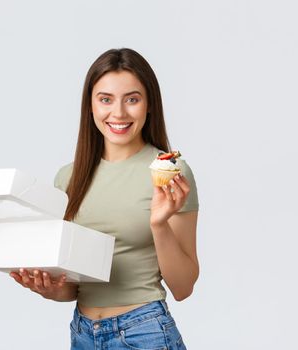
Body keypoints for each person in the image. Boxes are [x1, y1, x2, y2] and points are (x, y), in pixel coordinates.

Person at [10, 48, 199, 350]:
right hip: (84, 333)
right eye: (106, 99)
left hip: (144, 331)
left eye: (132, 99)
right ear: (90, 105)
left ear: (149, 104)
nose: (119, 113)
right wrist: (48, 289)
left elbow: (183, 286)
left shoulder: (167, 171)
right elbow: (75, 287)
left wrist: (159, 224)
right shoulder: (68, 177)